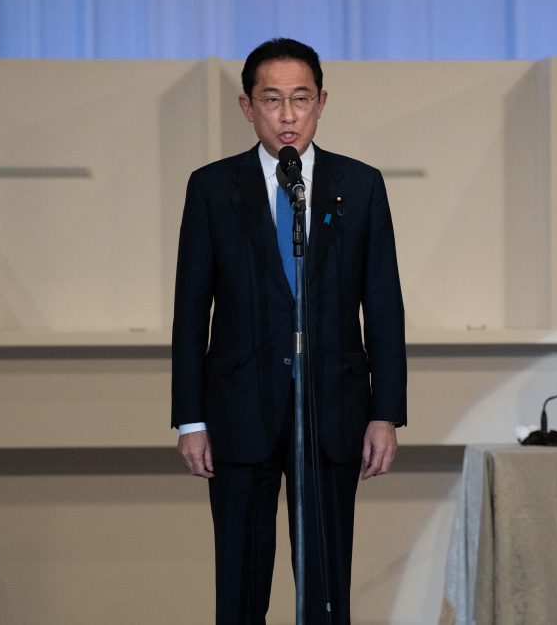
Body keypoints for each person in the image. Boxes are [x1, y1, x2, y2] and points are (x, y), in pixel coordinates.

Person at [170, 37, 407, 624]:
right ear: (246, 108)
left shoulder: (361, 185)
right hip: (238, 411)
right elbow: (190, 307)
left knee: (327, 587)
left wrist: (386, 412)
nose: (287, 115)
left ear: (322, 103)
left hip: (331, 411)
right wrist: (190, 417)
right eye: (271, 99)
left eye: (300, 99)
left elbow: (382, 305)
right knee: (240, 585)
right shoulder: (212, 188)